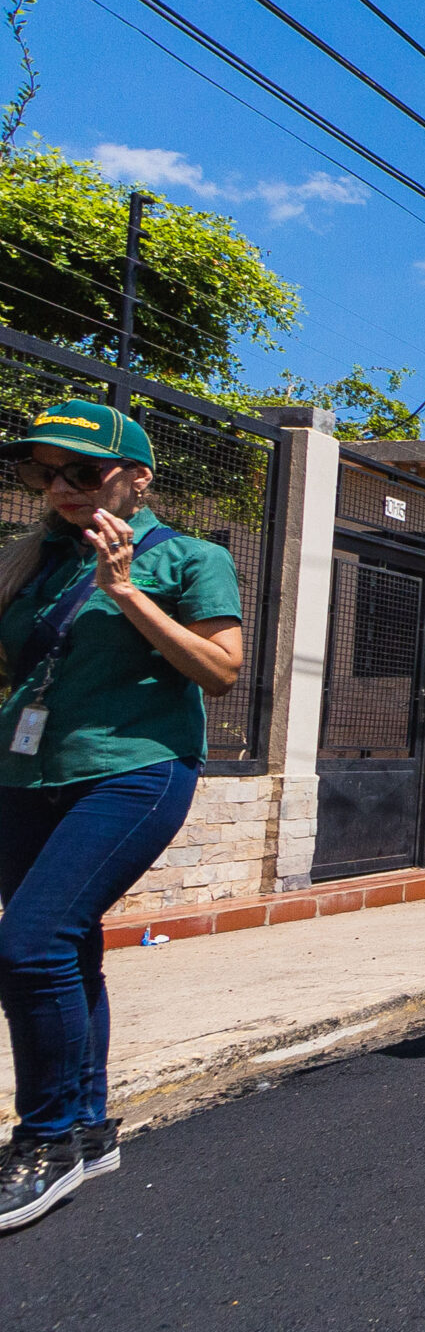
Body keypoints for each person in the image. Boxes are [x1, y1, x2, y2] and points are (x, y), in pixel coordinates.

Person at [0, 401, 242, 1233]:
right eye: (44, 472)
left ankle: (45, 1141)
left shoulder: (191, 557)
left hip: (135, 770)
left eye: (83, 470)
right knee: (64, 945)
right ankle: (88, 1124)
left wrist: (127, 592)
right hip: (26, 773)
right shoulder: (32, 561)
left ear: (137, 478)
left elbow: (220, 670)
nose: (61, 486)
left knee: (27, 943)